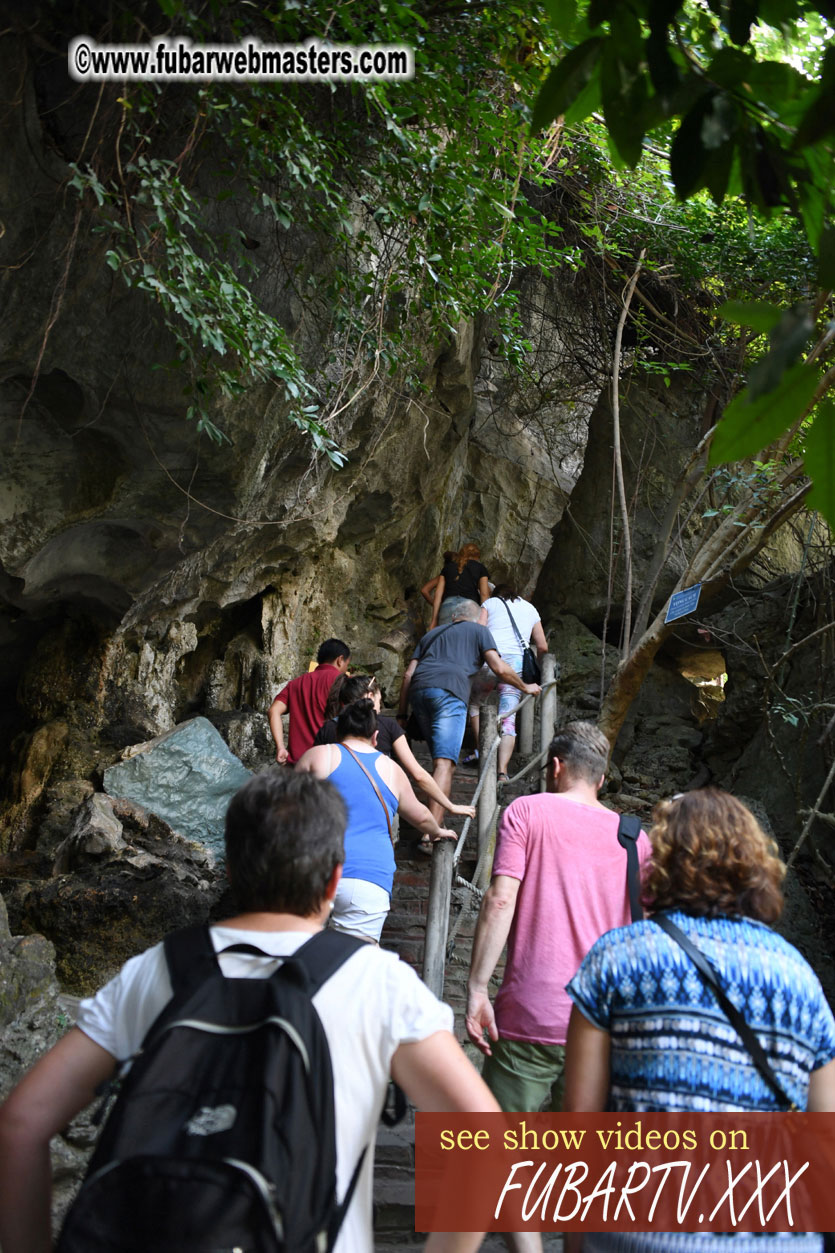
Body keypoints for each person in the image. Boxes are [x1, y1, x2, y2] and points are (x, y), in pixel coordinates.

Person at [0, 771, 498, 1253]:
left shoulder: (160, 968)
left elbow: (20, 1123)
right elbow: (485, 1139)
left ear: (232, 870)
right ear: (333, 879)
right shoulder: (377, 981)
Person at [563, 787, 835, 1253]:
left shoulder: (618, 957)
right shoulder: (800, 978)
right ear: (755, 865)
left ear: (663, 861)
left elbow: (583, 1132)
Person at [466, 721, 651, 1113]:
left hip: (532, 1013)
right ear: (601, 778)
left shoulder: (527, 812)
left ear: (554, 767)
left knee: (496, 1157)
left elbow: (500, 900)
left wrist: (478, 988)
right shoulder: (635, 838)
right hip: (603, 1021)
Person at [296, 701, 457, 942]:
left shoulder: (319, 756)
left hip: (315, 869)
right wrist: (436, 831)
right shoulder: (391, 769)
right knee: (354, 966)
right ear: (375, 736)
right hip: (367, 878)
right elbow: (421, 815)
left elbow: (285, 806)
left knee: (299, 958)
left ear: (338, 730)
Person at [397, 600, 541, 828]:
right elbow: (499, 667)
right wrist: (525, 686)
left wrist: (401, 714)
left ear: (453, 617)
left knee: (439, 759)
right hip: (450, 693)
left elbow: (407, 675)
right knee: (445, 763)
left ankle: (430, 820)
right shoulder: (479, 631)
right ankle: (430, 832)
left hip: (419, 692)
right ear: (477, 618)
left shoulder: (431, 635)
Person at [314, 674, 476, 842]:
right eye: (379, 700)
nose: (380, 706)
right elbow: (418, 775)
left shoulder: (328, 728)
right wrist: (449, 806)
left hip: (334, 812)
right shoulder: (388, 726)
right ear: (370, 696)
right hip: (379, 813)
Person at [466, 582, 548, 777]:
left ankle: (481, 750)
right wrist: (535, 665)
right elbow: (542, 646)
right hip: (516, 668)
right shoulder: (530, 609)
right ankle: (502, 771)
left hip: (491, 659)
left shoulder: (490, 603)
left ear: (496, 593)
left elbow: (479, 632)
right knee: (508, 719)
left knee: (476, 705)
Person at [268, 637, 351, 765]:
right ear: (340, 660)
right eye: (347, 664)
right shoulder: (343, 682)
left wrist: (280, 747)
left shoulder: (296, 683)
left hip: (297, 766)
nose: (346, 669)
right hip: (328, 764)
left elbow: (274, 711)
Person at [428, 543, 491, 630]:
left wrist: (434, 620)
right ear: (477, 556)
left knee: (446, 640)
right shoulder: (480, 568)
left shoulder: (447, 568)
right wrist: (485, 619)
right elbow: (484, 594)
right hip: (469, 607)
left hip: (447, 606)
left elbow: (438, 594)